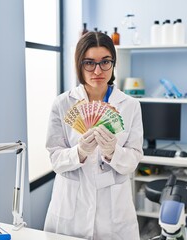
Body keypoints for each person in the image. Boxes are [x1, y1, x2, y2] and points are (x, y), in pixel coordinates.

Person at [43, 31, 144, 240]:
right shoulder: (63, 104)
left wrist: (112, 153)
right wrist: (79, 152)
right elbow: (55, 160)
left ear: (113, 64)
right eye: (89, 62)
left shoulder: (131, 106)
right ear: (79, 65)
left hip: (114, 213)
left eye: (105, 62)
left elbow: (133, 159)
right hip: (71, 210)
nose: (98, 70)